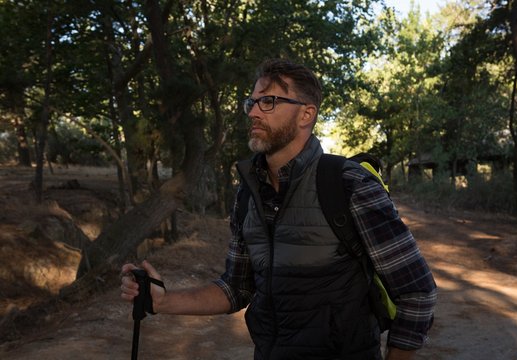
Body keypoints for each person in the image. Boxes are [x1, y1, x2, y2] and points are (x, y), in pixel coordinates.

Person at [120, 58, 437, 360]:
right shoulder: (248, 193)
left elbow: (417, 291)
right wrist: (163, 301)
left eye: (268, 102)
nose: (254, 113)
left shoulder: (348, 184)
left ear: (305, 115)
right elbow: (236, 287)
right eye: (252, 103)